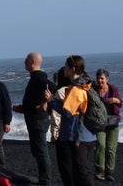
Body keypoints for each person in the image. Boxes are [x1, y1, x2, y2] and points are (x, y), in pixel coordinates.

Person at [46, 55, 95, 186]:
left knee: (81, 170)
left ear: (73, 69)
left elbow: (68, 112)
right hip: (85, 133)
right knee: (79, 170)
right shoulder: (84, 85)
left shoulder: (76, 89)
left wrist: (52, 101)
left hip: (77, 134)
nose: (64, 69)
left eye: (66, 66)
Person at [19, 52, 53, 185]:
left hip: (38, 120)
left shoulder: (39, 77)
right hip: (34, 118)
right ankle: (43, 179)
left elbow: (55, 89)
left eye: (26, 60)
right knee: (37, 150)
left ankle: (46, 181)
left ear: (33, 63)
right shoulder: (35, 77)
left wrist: (47, 102)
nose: (24, 62)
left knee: (41, 151)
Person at [94, 68, 121, 183]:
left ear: (107, 79)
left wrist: (115, 100)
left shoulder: (113, 89)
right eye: (98, 78)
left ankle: (109, 172)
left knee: (111, 148)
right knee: (101, 145)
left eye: (102, 78)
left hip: (113, 122)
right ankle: (100, 171)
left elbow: (121, 103)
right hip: (99, 122)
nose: (100, 81)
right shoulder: (93, 90)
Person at [49, 67, 74, 186]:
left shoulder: (60, 92)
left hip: (63, 133)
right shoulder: (77, 90)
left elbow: (56, 115)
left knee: (65, 165)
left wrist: (54, 133)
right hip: (77, 132)